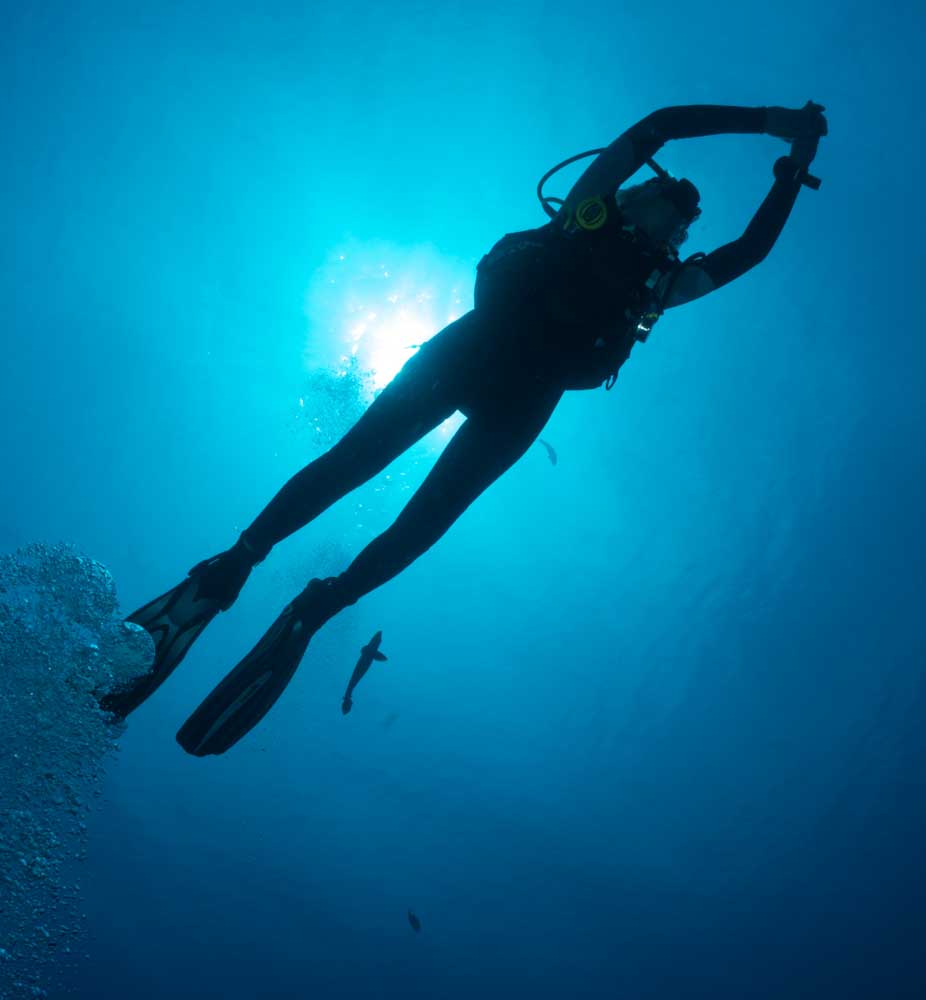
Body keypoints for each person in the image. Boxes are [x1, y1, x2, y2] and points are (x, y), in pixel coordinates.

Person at [103, 101, 830, 755]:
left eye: (679, 214)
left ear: (676, 234)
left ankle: (322, 603)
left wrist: (792, 174)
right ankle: (237, 561)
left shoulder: (660, 288)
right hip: (470, 351)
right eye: (661, 192)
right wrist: (770, 121)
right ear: (634, 188)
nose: (668, 209)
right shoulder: (586, 210)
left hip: (522, 402)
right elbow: (659, 127)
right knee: (351, 460)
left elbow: (749, 252)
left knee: (423, 529)